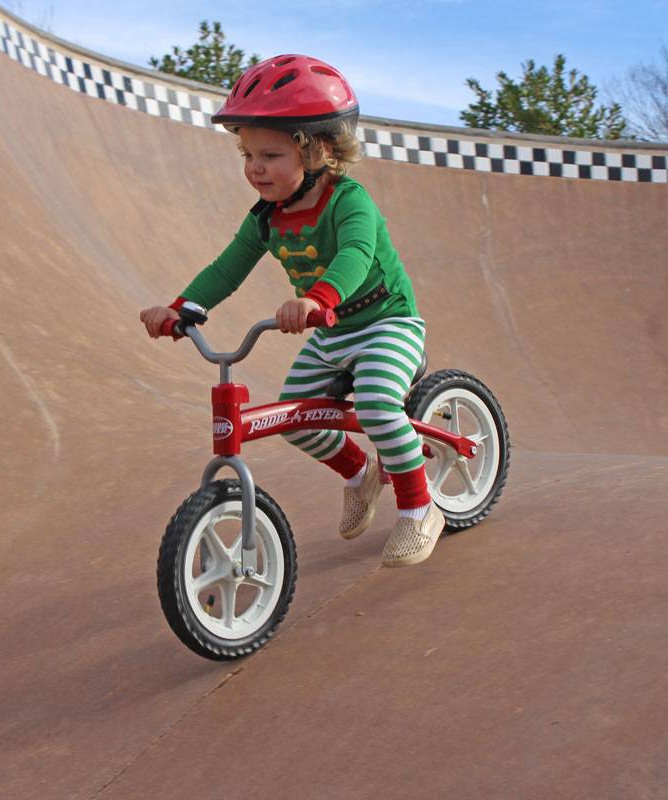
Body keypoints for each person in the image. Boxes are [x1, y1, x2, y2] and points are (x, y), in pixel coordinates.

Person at [139, 54, 443, 567]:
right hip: (332, 333)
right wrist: (182, 309)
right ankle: (360, 476)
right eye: (249, 154)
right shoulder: (266, 218)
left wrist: (317, 298)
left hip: (386, 322)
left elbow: (355, 255)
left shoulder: (350, 201)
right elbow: (227, 267)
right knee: (294, 415)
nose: (255, 167)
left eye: (271, 154)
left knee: (373, 403)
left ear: (319, 148)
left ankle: (419, 508)